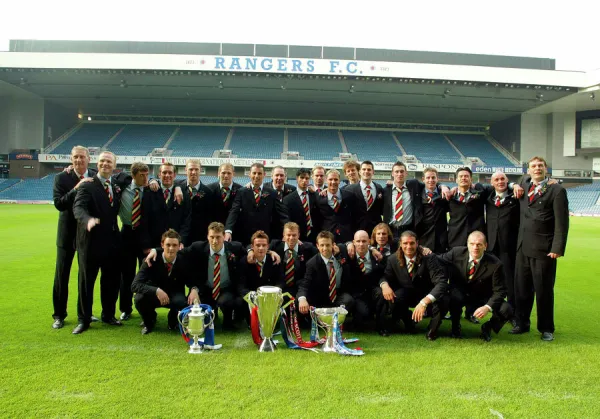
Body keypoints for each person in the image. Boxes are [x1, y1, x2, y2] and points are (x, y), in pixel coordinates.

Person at [511, 156, 569, 341]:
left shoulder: (557, 190)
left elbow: (562, 223)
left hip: (544, 250)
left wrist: (557, 247)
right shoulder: (524, 183)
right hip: (522, 247)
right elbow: (517, 181)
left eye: (540, 166)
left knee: (543, 290)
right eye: (533, 166)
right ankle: (521, 323)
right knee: (521, 289)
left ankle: (546, 328)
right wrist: (514, 185)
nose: (537, 169)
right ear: (528, 170)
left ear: (546, 169)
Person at [72, 151, 123, 334]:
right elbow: (78, 208)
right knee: (86, 282)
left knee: (111, 281)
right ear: (97, 163)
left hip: (111, 243)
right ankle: (84, 319)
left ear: (114, 165)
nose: (105, 164)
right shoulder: (87, 185)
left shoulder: (115, 185)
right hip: (90, 243)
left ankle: (108, 315)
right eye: (102, 161)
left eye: (109, 161)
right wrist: (88, 220)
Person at [51, 145, 96, 329]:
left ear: (88, 159)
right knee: (62, 275)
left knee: (85, 276)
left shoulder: (94, 175)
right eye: (75, 157)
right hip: (66, 234)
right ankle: (59, 315)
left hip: (87, 235)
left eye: (82, 157)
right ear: (71, 159)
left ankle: (85, 314)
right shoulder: (61, 177)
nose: (78, 160)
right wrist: (76, 188)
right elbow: (59, 204)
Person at [439, 231, 513, 341]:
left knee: (507, 309)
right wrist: (422, 250)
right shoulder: (456, 253)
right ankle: (455, 327)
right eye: (472, 244)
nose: (475, 247)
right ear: (467, 244)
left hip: (482, 297)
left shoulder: (496, 264)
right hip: (460, 294)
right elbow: (437, 260)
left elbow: (500, 291)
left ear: (485, 246)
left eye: (479, 244)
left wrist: (487, 307)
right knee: (453, 296)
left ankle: (488, 327)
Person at [375, 230, 448, 339]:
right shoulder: (392, 259)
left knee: (443, 299)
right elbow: (385, 276)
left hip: (426, 292)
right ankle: (408, 322)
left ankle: (432, 330)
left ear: (417, 243)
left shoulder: (429, 257)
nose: (408, 246)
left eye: (412, 243)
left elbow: (441, 282)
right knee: (396, 296)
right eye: (405, 243)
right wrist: (384, 285)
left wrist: (424, 302)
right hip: (406, 293)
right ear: (400, 244)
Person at [131, 230, 199, 334]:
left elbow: (192, 280)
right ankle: (149, 321)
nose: (171, 248)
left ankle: (173, 320)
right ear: (162, 245)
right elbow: (135, 285)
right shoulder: (150, 260)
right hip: (154, 295)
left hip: (175, 296)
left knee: (183, 302)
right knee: (139, 299)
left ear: (179, 246)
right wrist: (156, 291)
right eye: (168, 245)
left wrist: (194, 289)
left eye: (174, 245)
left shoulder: (184, 260)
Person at [116, 162, 150, 321]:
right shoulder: (123, 188)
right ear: (133, 175)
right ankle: (125, 308)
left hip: (145, 235)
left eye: (147, 174)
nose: (145, 178)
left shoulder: (151, 190)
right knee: (127, 273)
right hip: (127, 233)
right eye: (141, 175)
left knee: (145, 273)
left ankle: (146, 308)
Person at [225, 162, 289, 245]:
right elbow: (234, 211)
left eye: (259, 173)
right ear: (249, 174)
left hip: (265, 238)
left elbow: (282, 215)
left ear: (264, 175)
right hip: (245, 238)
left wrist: (288, 232)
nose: (256, 176)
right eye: (254, 173)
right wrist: (228, 230)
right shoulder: (241, 192)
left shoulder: (272, 193)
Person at [485, 171, 519, 314]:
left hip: (509, 248)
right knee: (490, 280)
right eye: (496, 179)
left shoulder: (516, 197)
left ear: (507, 181)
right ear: (492, 183)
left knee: (510, 281)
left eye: (503, 179)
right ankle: (492, 308)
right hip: (491, 247)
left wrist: (514, 185)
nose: (500, 182)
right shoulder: (488, 198)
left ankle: (512, 312)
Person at [297, 231, 355, 315]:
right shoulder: (312, 263)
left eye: (328, 245)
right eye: (322, 245)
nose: (325, 248)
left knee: (348, 300)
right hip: (321, 297)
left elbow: (357, 245)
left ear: (333, 245)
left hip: (338, 294)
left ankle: (335, 318)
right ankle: (322, 316)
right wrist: (302, 299)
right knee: (302, 301)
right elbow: (305, 284)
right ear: (317, 246)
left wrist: (373, 249)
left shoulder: (341, 251)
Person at [139, 162, 191, 249]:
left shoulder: (183, 194)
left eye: (170, 173)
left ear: (174, 175)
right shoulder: (149, 192)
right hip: (153, 244)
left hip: (175, 245)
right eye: (164, 172)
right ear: (159, 174)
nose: (167, 175)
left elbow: (186, 221)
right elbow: (144, 220)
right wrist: (146, 244)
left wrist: (181, 241)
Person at [342, 230, 386, 331]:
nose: (361, 244)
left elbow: (383, 273)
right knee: (363, 316)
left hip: (372, 290)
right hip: (356, 294)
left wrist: (384, 284)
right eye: (358, 241)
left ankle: (382, 326)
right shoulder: (348, 254)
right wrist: (348, 244)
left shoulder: (377, 256)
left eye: (364, 241)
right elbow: (339, 245)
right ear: (353, 242)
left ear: (369, 241)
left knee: (381, 293)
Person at [267, 222, 317, 296]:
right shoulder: (275, 245)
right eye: (288, 235)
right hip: (278, 287)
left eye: (294, 235)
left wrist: (339, 249)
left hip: (299, 289)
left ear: (298, 235)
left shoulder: (307, 248)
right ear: (284, 235)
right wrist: (270, 251)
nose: (291, 238)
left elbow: (323, 252)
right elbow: (255, 248)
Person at [446, 167, 491, 248]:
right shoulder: (450, 196)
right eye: (461, 176)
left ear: (471, 179)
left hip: (476, 241)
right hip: (455, 239)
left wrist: (513, 185)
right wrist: (442, 186)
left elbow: (497, 186)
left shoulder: (480, 193)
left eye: (466, 176)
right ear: (456, 180)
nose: (463, 178)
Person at [382, 162, 423, 239]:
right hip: (390, 230)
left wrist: (442, 186)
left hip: (409, 230)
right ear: (392, 174)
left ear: (406, 173)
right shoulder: (385, 191)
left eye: (402, 171)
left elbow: (430, 184)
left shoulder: (414, 185)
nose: (399, 174)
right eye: (396, 172)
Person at [177, 159, 214, 244]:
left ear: (200, 170)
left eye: (196, 169)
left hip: (200, 239)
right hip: (179, 236)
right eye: (191, 169)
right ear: (185, 170)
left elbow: (210, 218)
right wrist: (152, 180)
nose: (193, 172)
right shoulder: (177, 187)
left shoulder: (208, 192)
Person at [344, 160, 384, 236]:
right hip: (356, 229)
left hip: (375, 230)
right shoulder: (349, 189)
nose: (366, 171)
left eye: (369, 169)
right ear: (359, 172)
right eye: (364, 169)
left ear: (373, 172)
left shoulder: (379, 188)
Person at [239, 230, 285, 296]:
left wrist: (274, 293)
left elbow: (281, 281)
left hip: (270, 295)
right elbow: (241, 285)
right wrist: (252, 296)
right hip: (251, 296)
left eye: (264, 245)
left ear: (268, 246)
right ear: (252, 246)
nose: (261, 248)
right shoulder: (244, 261)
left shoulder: (274, 260)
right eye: (258, 245)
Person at [314, 169, 355, 243]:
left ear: (339, 181)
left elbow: (354, 216)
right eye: (330, 179)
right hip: (326, 239)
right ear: (326, 180)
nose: (333, 182)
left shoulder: (349, 196)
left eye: (336, 179)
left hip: (346, 238)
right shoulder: (318, 198)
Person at [282, 168, 321, 243]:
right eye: (302, 178)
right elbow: (287, 220)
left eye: (307, 178)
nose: (304, 180)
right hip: (298, 236)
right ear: (297, 178)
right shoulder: (288, 199)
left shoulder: (315, 196)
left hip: (315, 235)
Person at [416, 167, 449, 253]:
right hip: (423, 238)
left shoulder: (444, 194)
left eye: (433, 177)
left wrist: (444, 186)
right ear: (423, 179)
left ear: (437, 179)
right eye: (428, 178)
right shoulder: (417, 194)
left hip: (441, 239)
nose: (431, 180)